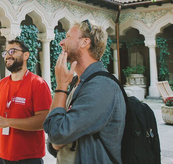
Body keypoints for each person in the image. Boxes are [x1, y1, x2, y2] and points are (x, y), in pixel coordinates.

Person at [43, 21, 126, 164]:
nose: (61, 42)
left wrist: (61, 86)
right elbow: (54, 142)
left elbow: (57, 133)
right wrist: (57, 139)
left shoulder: (101, 87)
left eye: (68, 37)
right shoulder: (78, 82)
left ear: (85, 42)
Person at [0, 39, 52, 164]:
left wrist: (7, 122)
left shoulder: (38, 84)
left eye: (12, 51)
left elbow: (44, 121)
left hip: (28, 158)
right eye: (5, 52)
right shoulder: (2, 84)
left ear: (26, 55)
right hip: (1, 156)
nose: (7, 55)